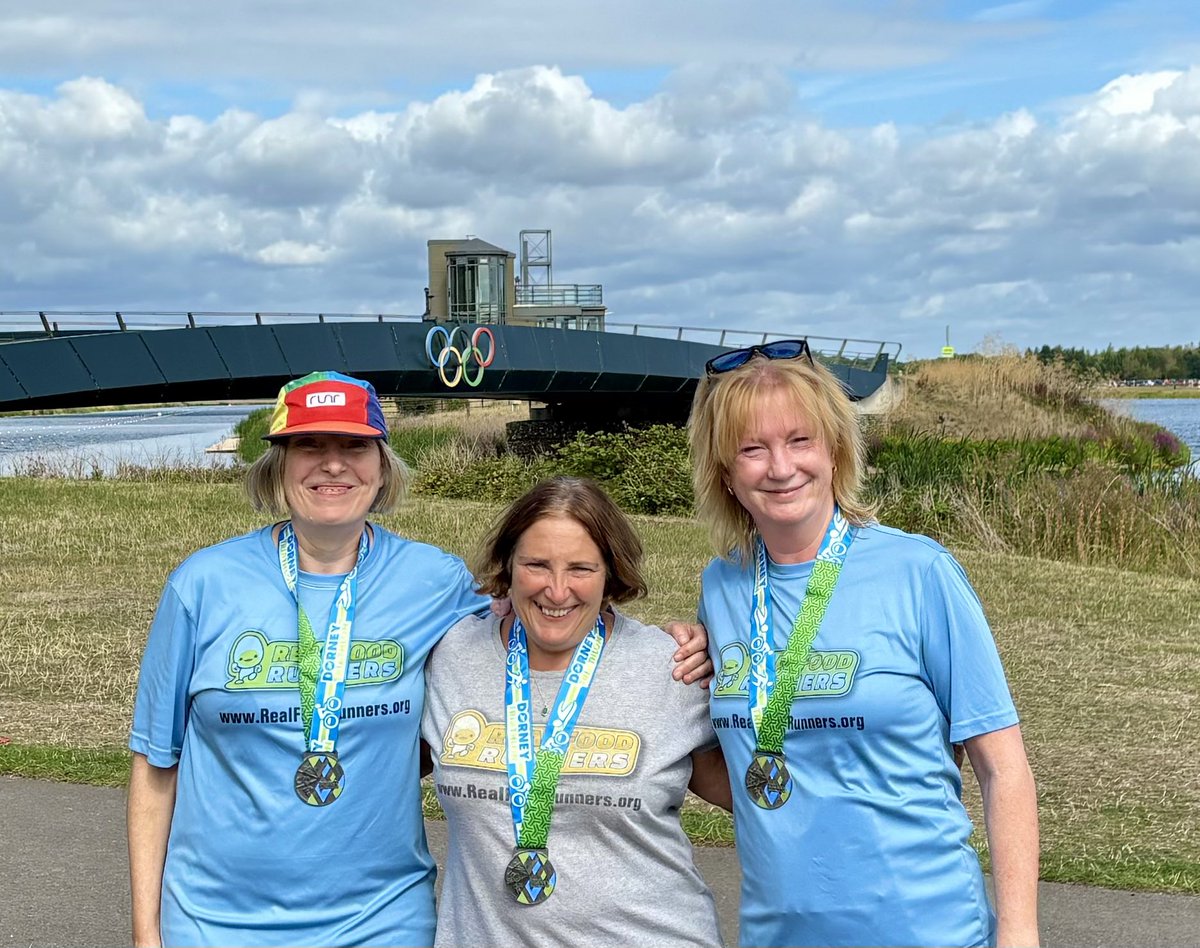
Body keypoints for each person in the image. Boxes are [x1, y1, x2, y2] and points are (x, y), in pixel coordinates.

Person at [127, 371, 713, 946]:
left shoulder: (435, 582)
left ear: (381, 466)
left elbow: (546, 606)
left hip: (382, 920)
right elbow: (156, 769)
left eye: (354, 446)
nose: (333, 464)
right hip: (216, 919)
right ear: (278, 463)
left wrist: (677, 642)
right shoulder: (201, 585)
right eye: (309, 444)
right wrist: (146, 931)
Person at [688, 340, 1040, 948]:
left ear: (835, 449)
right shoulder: (721, 588)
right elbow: (745, 770)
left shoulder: (919, 572)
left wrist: (1019, 934)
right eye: (753, 448)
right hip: (780, 936)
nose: (780, 466)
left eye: (800, 440)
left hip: (929, 930)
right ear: (725, 472)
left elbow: (1002, 766)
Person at [422, 476, 731, 947]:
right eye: (537, 565)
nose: (558, 590)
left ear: (611, 572)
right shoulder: (452, 656)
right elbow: (381, 763)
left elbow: (749, 794)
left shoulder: (673, 668)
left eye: (582, 568)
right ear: (509, 566)